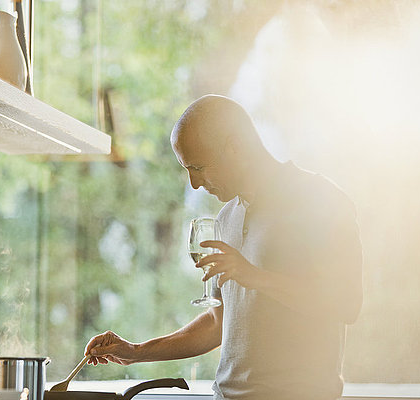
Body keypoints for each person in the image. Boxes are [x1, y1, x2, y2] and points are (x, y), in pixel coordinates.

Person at [84, 95, 363, 400]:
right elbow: (218, 323)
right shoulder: (227, 216)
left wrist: (255, 276)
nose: (193, 183)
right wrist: (136, 352)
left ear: (234, 147)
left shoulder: (320, 199)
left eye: (198, 167)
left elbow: (346, 303)